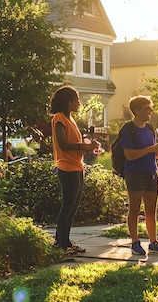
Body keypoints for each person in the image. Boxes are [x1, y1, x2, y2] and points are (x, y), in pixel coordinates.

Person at [50, 86, 100, 254]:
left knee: (73, 207)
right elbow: (63, 144)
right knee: (68, 206)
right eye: (77, 100)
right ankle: (62, 244)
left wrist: (88, 146)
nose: (79, 103)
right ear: (69, 102)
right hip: (67, 168)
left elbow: (75, 144)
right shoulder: (59, 118)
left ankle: (65, 241)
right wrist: (83, 146)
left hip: (77, 166)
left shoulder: (70, 119)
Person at [121, 95, 158, 255]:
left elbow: (152, 154)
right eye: (146, 109)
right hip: (135, 174)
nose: (150, 111)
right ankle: (135, 242)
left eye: (151, 108)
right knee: (134, 209)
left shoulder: (150, 129)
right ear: (136, 110)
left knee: (151, 211)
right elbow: (129, 155)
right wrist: (151, 149)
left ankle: (153, 242)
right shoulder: (128, 129)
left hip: (151, 173)